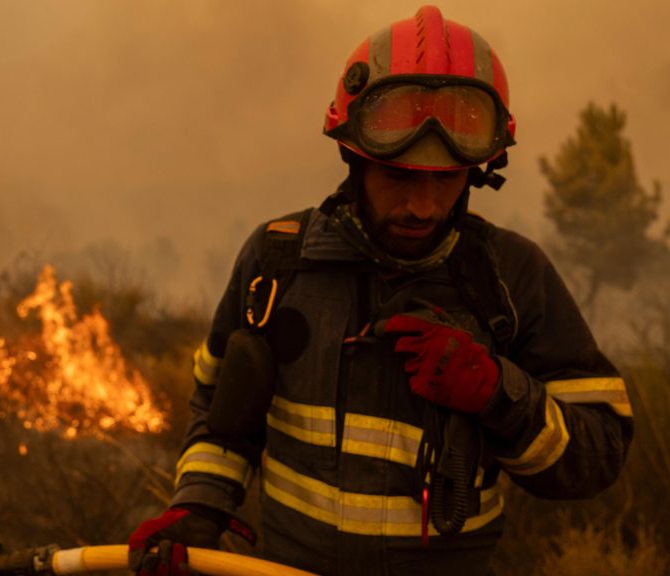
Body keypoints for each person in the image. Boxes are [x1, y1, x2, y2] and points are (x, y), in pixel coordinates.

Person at [128, 5, 634, 576]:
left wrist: (499, 394)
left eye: (445, 178)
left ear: (479, 170)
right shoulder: (276, 262)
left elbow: (599, 453)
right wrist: (200, 505)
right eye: (399, 176)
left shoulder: (512, 278)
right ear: (353, 157)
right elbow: (217, 408)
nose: (423, 206)